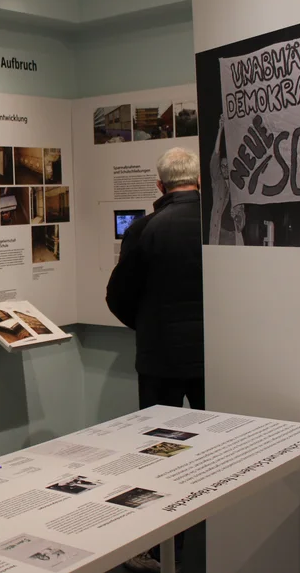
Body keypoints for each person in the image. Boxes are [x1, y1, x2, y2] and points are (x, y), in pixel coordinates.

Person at [106, 147, 203, 573]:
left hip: (160, 356)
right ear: (200, 182)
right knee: (219, 446)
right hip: (212, 358)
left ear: (160, 186)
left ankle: (166, 545)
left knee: (157, 453)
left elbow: (118, 296)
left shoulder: (144, 229)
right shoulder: (217, 223)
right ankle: (213, 536)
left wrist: (147, 325)